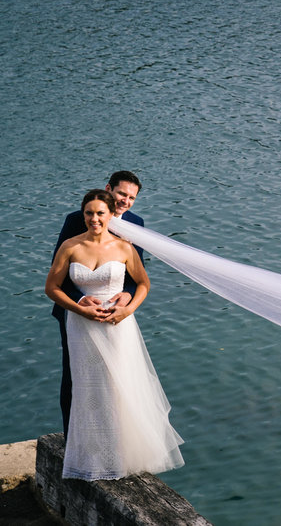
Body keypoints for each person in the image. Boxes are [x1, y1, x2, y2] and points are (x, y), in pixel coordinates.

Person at [45, 189, 183, 480]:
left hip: (117, 325)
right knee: (86, 387)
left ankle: (120, 455)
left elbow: (143, 284)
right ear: (82, 215)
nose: (94, 219)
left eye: (100, 213)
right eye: (89, 213)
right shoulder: (70, 246)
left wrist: (127, 309)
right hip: (81, 325)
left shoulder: (123, 248)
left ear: (110, 215)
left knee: (117, 385)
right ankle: (89, 456)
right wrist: (80, 308)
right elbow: (52, 288)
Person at [52, 171, 144, 436]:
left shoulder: (137, 224)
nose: (125, 201)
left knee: (116, 375)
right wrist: (80, 301)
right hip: (74, 310)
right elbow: (58, 274)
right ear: (108, 189)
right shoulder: (75, 221)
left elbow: (137, 275)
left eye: (131, 197)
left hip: (115, 313)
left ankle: (114, 436)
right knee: (75, 375)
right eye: (121, 194)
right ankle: (73, 437)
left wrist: (127, 296)